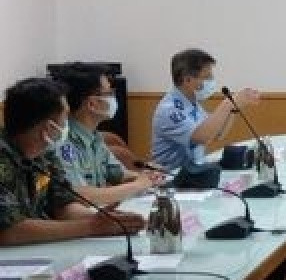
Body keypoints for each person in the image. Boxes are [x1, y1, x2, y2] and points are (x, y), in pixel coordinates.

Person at [0, 77, 145, 246]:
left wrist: (107, 219)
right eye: (66, 116)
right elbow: (8, 230)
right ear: (49, 128)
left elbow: (63, 204)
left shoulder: (44, 153)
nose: (68, 122)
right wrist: (91, 227)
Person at [50, 63, 164, 206]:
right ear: (92, 104)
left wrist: (147, 177)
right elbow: (79, 194)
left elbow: (117, 173)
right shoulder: (62, 142)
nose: (113, 98)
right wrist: (137, 185)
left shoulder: (94, 136)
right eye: (109, 93)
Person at [151, 49, 260, 171]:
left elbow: (219, 134)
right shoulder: (170, 109)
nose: (212, 81)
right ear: (187, 80)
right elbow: (202, 137)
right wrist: (228, 103)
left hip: (194, 172)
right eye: (207, 77)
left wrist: (234, 108)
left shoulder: (191, 103)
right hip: (172, 176)